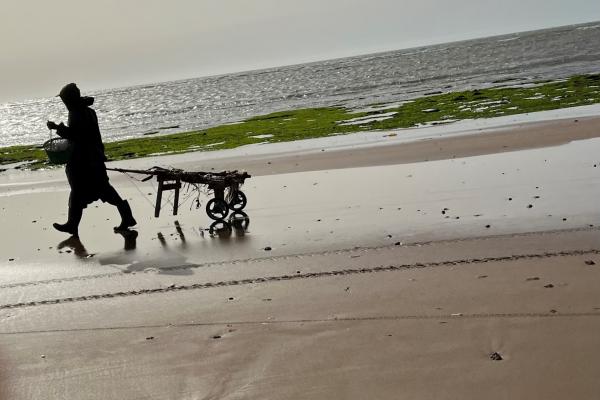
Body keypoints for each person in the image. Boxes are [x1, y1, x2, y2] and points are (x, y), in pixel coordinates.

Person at [47, 83, 136, 237]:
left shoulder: (77, 113)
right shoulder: (87, 111)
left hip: (86, 161)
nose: (64, 103)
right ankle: (73, 225)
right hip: (93, 157)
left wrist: (57, 128)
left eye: (65, 100)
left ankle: (72, 225)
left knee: (85, 191)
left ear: (70, 99)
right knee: (100, 190)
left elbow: (78, 136)